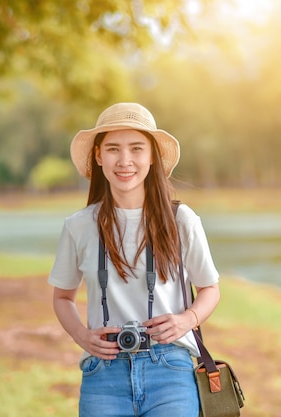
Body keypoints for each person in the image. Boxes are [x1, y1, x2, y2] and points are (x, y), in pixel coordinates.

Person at [48, 102, 220, 417]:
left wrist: (187, 320)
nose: (125, 160)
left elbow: (210, 288)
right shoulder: (79, 226)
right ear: (98, 156)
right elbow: (62, 297)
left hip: (171, 370)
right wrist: (82, 336)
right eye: (113, 149)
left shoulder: (182, 220)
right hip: (104, 373)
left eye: (136, 148)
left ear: (152, 156)